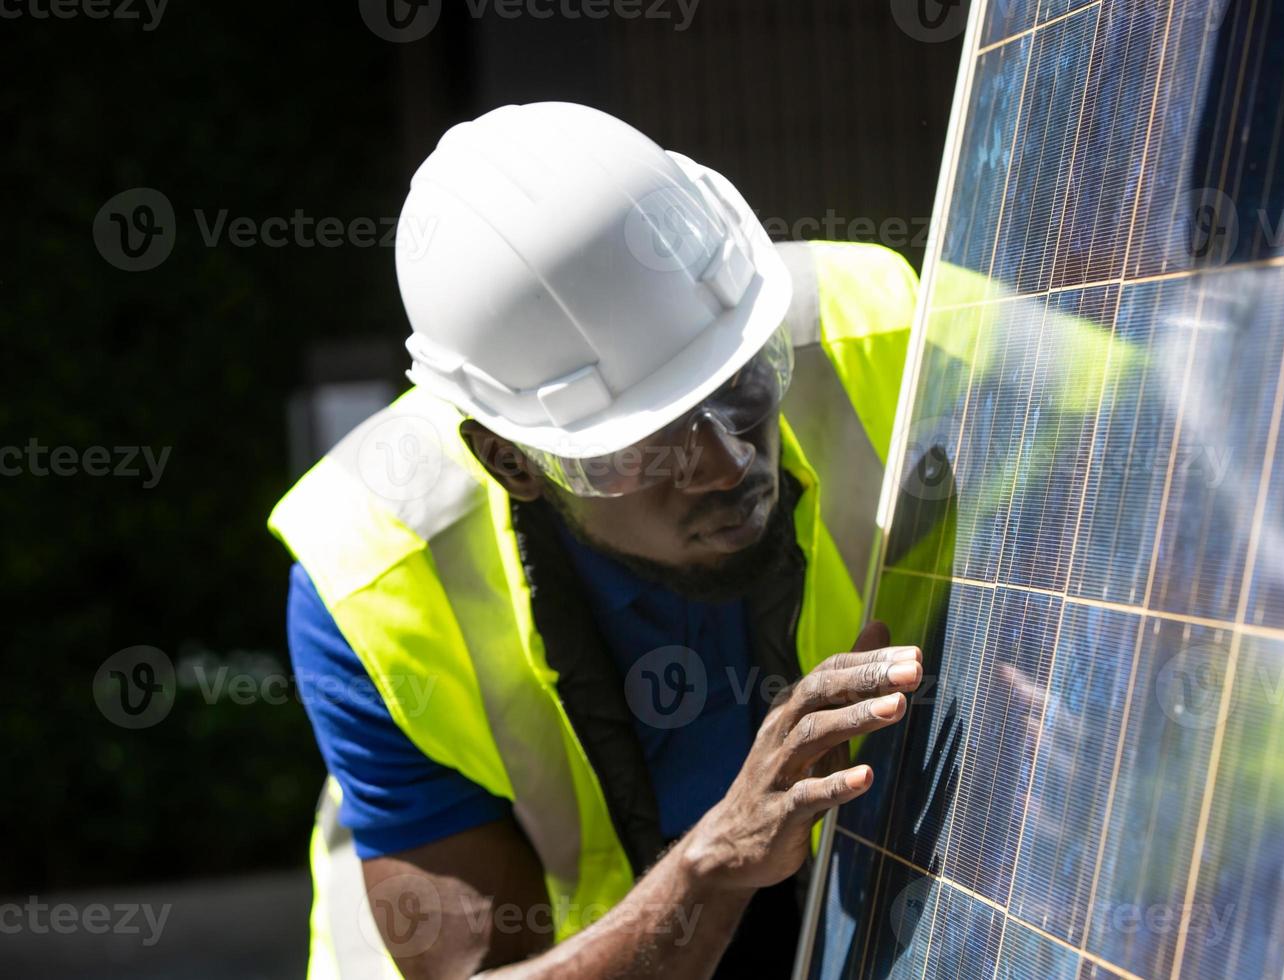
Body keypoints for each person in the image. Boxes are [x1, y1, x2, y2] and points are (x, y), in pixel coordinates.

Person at [269, 101, 925, 979]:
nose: (729, 464)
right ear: (510, 461)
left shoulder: (877, 326)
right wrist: (714, 865)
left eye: (743, 383)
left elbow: (1154, 426)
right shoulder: (375, 579)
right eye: (649, 445)